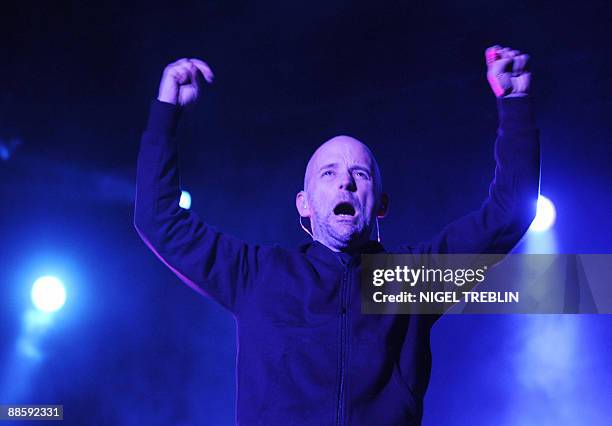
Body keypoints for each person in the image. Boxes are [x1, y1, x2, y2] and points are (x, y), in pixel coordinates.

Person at [134, 45, 540, 425]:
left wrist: (516, 104)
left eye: (360, 174)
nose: (345, 182)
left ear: (380, 204)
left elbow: (507, 214)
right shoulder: (257, 274)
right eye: (328, 174)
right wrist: (166, 111)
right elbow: (159, 218)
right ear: (304, 204)